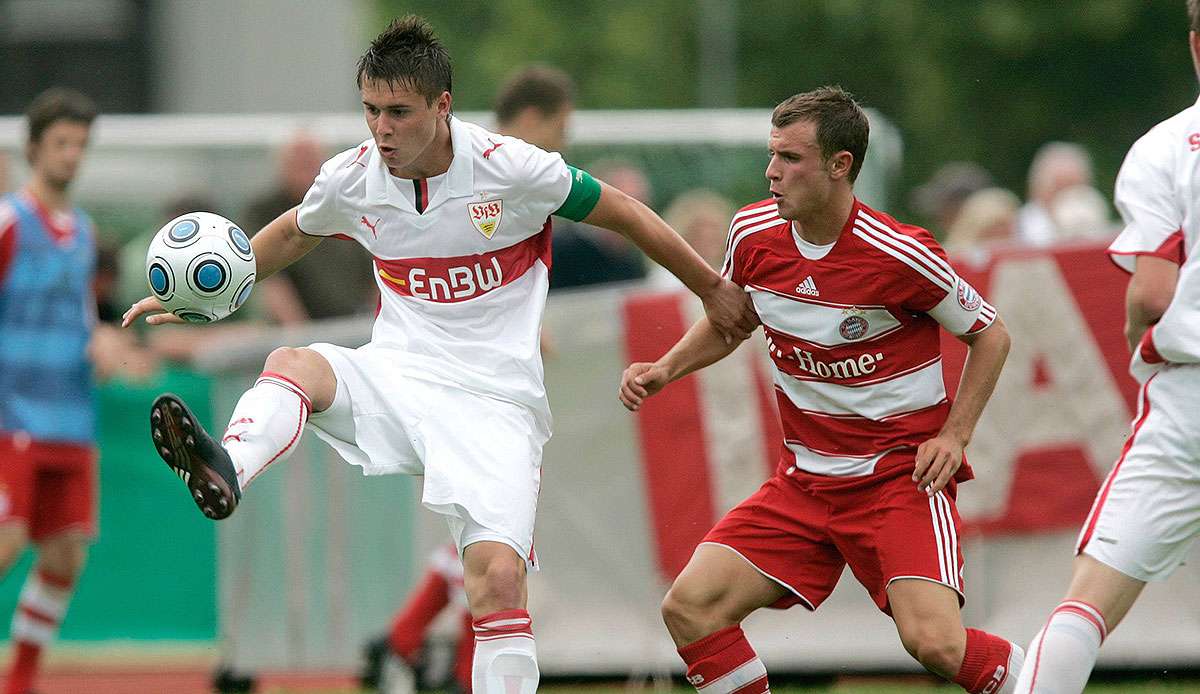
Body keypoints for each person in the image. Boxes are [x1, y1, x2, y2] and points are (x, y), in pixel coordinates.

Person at [122, 17, 755, 694]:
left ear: (441, 106)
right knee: (294, 362)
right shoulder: (352, 178)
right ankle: (228, 468)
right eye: (370, 111)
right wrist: (212, 290)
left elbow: (626, 212)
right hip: (400, 374)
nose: (381, 129)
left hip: (495, 401)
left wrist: (712, 289)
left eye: (398, 112)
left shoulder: (512, 169)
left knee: (497, 581)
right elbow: (290, 235)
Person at [619, 87, 1024, 694]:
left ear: (840, 166)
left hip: (896, 480)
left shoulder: (902, 253)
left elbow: (991, 334)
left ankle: (1047, 676)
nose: (771, 172)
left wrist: (955, 434)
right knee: (690, 607)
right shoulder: (752, 233)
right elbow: (734, 319)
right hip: (804, 482)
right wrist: (665, 368)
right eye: (771, 155)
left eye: (790, 158)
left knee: (935, 642)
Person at [360, 63, 581, 694]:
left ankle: (406, 644)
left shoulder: (488, 166)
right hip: (451, 385)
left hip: (468, 381)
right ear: (538, 120)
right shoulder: (498, 169)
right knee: (493, 544)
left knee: (480, 540)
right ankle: (421, 652)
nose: (565, 139)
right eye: (563, 125)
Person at [1013, 4, 1200, 690]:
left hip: (1189, 403)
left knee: (1087, 603)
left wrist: (1134, 337)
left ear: (1194, 46)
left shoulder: (1165, 147)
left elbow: (1151, 295)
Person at [0, 88, 99, 694]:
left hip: (71, 417)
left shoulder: (84, 232)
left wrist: (107, 347)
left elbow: (81, 320)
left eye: (80, 145)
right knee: (7, 541)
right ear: (34, 148)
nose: (71, 155)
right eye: (61, 143)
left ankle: (21, 684)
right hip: (12, 414)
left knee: (64, 558)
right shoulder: (10, 221)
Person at [243, 131, 377, 323]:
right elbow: (269, 279)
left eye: (310, 161)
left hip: (354, 322)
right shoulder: (263, 209)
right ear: (282, 165)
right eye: (297, 162)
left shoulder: (346, 202)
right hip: (297, 330)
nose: (305, 168)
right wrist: (299, 334)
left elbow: (373, 269)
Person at [1015, 142, 1094, 246]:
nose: (1067, 195)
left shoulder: (1094, 216)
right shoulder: (1020, 227)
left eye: (1072, 186)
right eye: (1059, 187)